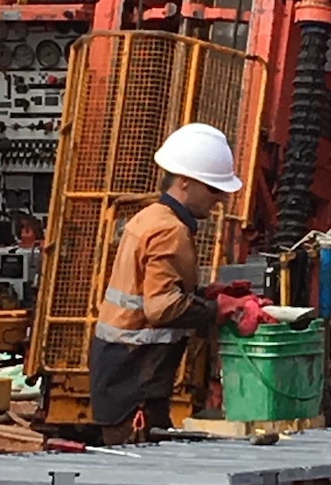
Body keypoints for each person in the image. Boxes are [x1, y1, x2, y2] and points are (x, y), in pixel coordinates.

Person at [88, 123, 271, 446]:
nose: (219, 200)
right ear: (184, 182)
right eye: (213, 190)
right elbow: (162, 308)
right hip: (135, 380)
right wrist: (222, 309)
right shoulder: (170, 230)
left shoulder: (150, 218)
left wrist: (208, 295)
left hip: (122, 375)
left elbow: (151, 294)